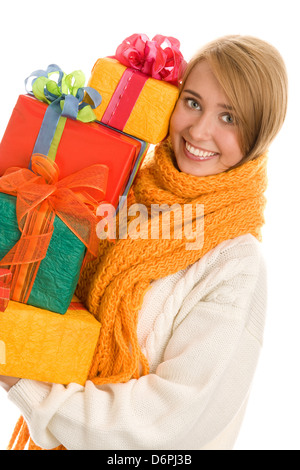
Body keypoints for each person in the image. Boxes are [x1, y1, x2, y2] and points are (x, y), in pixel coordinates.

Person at [0, 34, 288, 450]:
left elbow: (168, 425)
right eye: (192, 102)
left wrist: (24, 382)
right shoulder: (124, 193)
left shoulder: (236, 264)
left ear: (260, 134)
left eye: (230, 118)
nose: (200, 130)